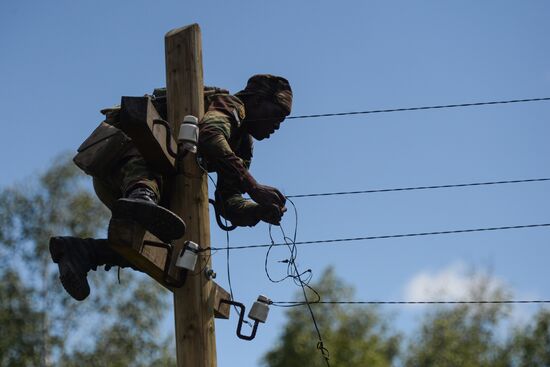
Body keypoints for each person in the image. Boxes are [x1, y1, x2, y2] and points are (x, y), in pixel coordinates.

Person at [49, 74, 293, 301]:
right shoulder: (231, 105)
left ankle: (83, 251)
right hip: (126, 166)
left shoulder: (242, 146)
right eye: (277, 115)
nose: (278, 126)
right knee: (163, 154)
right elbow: (210, 134)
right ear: (258, 100)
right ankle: (140, 199)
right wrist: (254, 187)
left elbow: (229, 201)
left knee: (164, 251)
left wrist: (258, 210)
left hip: (141, 190)